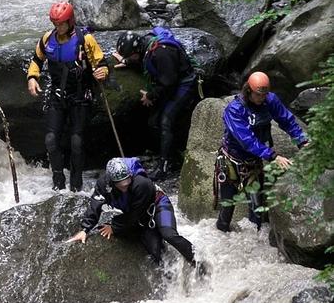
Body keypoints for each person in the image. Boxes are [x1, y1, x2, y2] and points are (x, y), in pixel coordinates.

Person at [26, 1, 108, 192]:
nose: (58, 27)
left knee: (76, 141)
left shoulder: (85, 39)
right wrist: (32, 78)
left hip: (79, 98)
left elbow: (101, 62)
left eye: (61, 23)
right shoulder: (47, 39)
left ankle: (76, 184)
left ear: (70, 21)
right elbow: (36, 60)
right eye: (55, 23)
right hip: (57, 97)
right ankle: (58, 181)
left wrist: (102, 71)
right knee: (51, 139)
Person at [214, 71, 308, 232]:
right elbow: (247, 141)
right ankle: (222, 233)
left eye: (264, 94)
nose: (262, 98)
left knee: (257, 209)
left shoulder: (270, 100)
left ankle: (256, 240)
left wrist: (303, 141)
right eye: (259, 95)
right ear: (248, 91)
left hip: (253, 162)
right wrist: (273, 156)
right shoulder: (235, 110)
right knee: (227, 207)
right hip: (231, 161)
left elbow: (287, 120)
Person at [67, 157, 200, 269]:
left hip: (158, 205)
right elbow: (95, 204)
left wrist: (114, 227)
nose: (125, 188)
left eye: (127, 183)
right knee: (156, 253)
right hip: (140, 216)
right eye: (121, 185)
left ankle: (198, 261)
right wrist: (85, 229)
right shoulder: (104, 185)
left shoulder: (141, 184)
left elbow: (133, 215)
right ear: (112, 182)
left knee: (169, 235)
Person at [114, 28, 198, 181]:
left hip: (183, 83)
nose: (130, 58)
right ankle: (167, 153)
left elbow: (169, 83)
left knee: (166, 120)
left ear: (136, 51)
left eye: (130, 56)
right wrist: (126, 61)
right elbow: (142, 62)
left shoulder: (161, 53)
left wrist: (150, 95)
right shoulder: (145, 47)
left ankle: (165, 166)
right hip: (169, 83)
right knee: (153, 122)